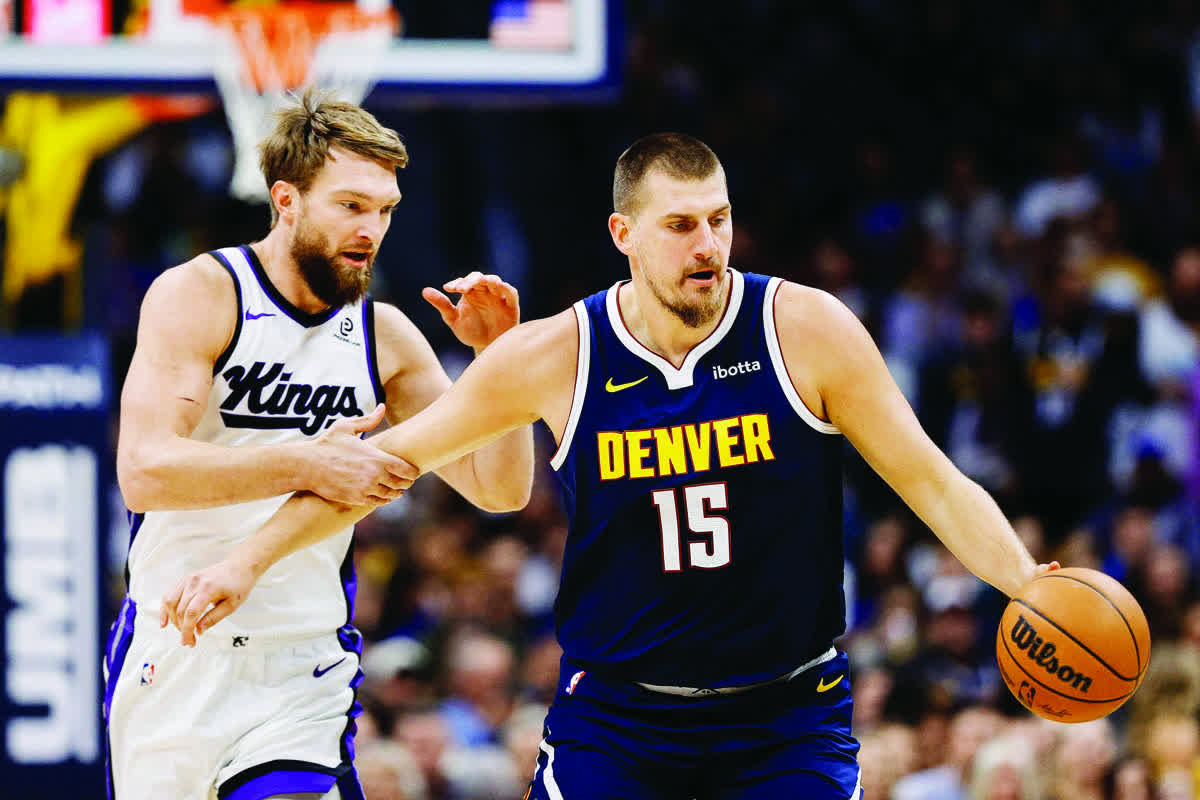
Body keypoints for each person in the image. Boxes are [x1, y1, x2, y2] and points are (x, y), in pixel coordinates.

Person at [164, 132, 1055, 799]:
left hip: (785, 713)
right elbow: (383, 463)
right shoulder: (557, 353)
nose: (707, 244)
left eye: (719, 220)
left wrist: (1024, 580)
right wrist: (245, 561)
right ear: (625, 233)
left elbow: (931, 477)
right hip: (621, 719)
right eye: (679, 226)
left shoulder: (805, 330)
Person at [107, 90, 534, 800]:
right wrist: (306, 460)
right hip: (173, 648)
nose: (372, 228)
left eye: (385, 210)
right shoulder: (201, 294)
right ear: (287, 200)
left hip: (299, 667)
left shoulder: (385, 336)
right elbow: (145, 472)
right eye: (351, 206)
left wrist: (503, 361)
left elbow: (500, 488)